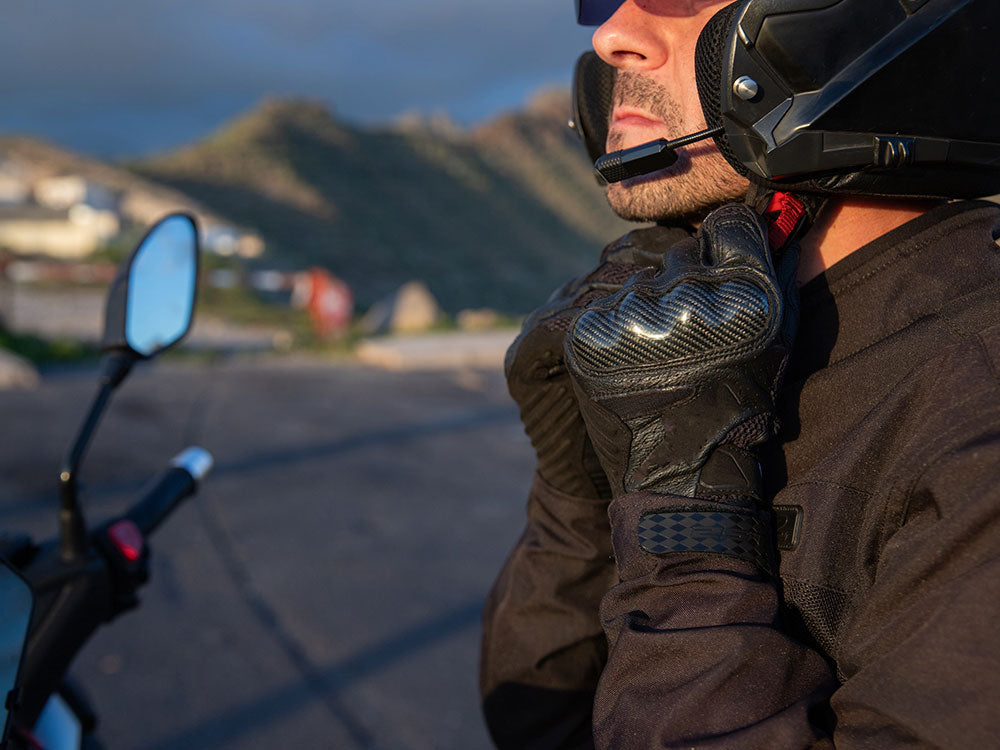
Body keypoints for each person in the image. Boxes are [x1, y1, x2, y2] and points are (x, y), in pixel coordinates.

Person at [480, 0, 1000, 747]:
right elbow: (543, 722)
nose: (610, 35)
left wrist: (683, 528)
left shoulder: (974, 401)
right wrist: (577, 477)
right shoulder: (702, 325)